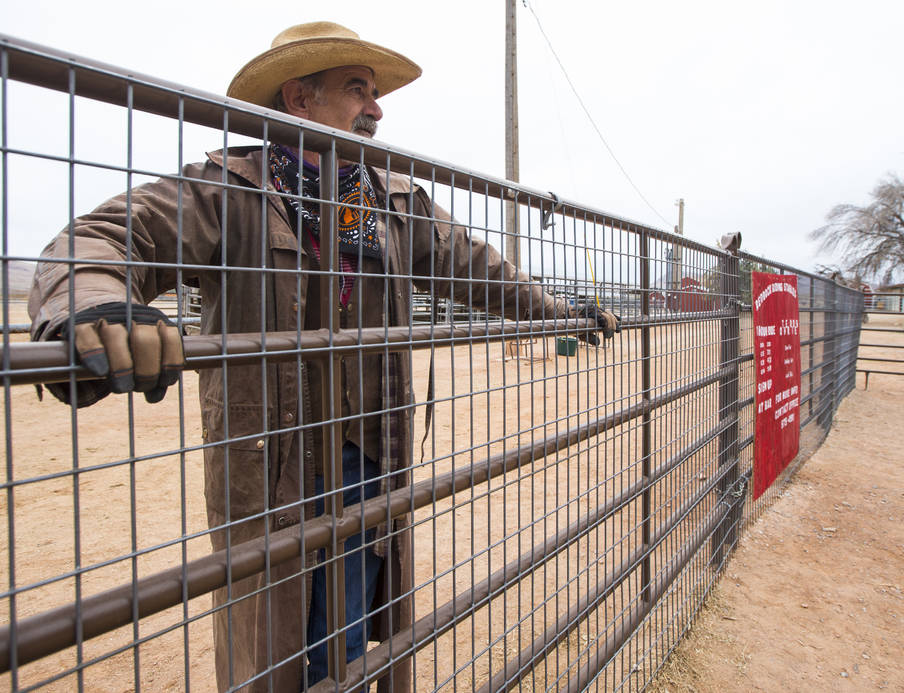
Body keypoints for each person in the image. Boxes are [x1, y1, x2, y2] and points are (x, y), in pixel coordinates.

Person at [28, 21, 619, 693]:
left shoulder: (393, 199)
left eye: (374, 92)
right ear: (299, 100)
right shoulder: (230, 188)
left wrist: (563, 311)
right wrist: (95, 306)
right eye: (357, 89)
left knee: (341, 645)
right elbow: (102, 237)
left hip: (367, 456)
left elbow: (478, 270)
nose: (377, 108)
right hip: (269, 464)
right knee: (272, 650)